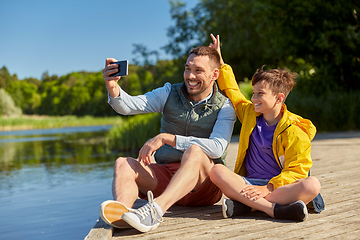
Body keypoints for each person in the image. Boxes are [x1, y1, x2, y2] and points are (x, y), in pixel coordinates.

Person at [99, 46, 236, 232]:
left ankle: (155, 210)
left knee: (195, 151)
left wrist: (168, 139)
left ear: (214, 75)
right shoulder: (169, 92)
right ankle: (122, 215)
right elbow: (130, 106)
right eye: (188, 68)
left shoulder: (225, 106)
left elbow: (218, 148)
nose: (190, 76)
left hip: (203, 186)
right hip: (167, 177)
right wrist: (113, 87)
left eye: (198, 71)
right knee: (123, 163)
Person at [208, 34, 323, 222]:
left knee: (312, 185)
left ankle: (248, 205)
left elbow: (298, 170)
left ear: (279, 98)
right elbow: (233, 92)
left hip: (279, 187)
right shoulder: (249, 114)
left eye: (260, 94)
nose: (253, 98)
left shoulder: (294, 129)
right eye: (253, 93)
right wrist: (220, 63)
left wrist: (268, 188)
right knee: (216, 171)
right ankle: (272, 209)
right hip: (248, 183)